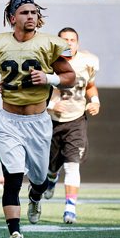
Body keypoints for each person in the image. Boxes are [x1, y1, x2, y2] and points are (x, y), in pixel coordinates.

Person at [0, 0, 75, 238]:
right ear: (12, 18)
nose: (30, 16)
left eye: (33, 12)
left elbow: (70, 77)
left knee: (40, 181)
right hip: (9, 121)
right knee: (12, 177)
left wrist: (49, 77)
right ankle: (15, 233)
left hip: (38, 121)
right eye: (24, 13)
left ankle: (36, 198)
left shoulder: (50, 44)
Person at [43, 27, 101, 224]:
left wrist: (95, 101)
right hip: (51, 121)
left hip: (76, 119)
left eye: (72, 39)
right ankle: (51, 179)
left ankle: (70, 209)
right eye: (64, 40)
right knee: (50, 167)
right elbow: (34, 90)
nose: (68, 43)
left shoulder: (88, 61)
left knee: (72, 165)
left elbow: (90, 86)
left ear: (78, 43)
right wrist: (50, 104)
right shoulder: (47, 61)